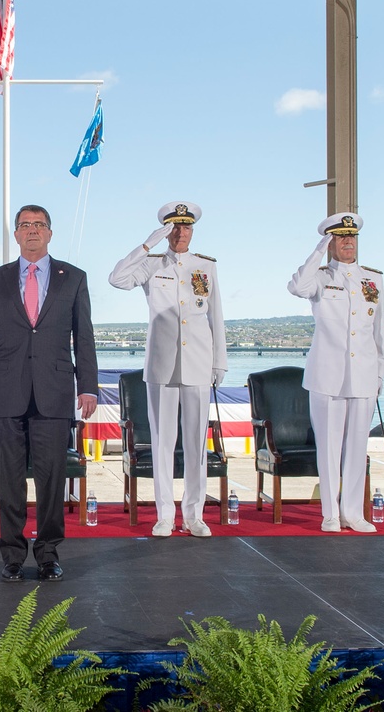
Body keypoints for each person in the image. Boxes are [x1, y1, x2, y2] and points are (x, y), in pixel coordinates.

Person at [0, 204, 98, 582]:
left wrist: (87, 386)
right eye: (25, 225)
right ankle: (11, 556)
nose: (32, 230)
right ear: (15, 234)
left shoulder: (73, 278)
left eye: (39, 224)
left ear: (50, 233)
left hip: (55, 391)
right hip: (7, 390)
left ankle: (48, 554)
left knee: (52, 479)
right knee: (8, 479)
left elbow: (83, 337)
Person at [109, 201, 227, 538]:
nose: (180, 233)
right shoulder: (151, 264)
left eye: (185, 227)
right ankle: (164, 515)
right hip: (161, 365)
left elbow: (216, 315)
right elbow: (117, 278)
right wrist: (147, 244)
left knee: (195, 443)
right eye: (173, 228)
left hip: (199, 363)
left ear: (192, 230)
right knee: (162, 443)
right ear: (165, 231)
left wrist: (220, 361)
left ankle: (194, 514)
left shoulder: (206, 267)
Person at [287, 212, 384, 533]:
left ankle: (353, 513)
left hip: (364, 375)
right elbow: (297, 286)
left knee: (357, 446)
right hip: (327, 375)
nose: (348, 242)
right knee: (329, 447)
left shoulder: (373, 280)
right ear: (331, 242)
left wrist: (380, 375)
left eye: (351, 237)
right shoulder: (319, 277)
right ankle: (330, 512)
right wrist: (319, 249)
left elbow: (379, 332)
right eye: (340, 237)